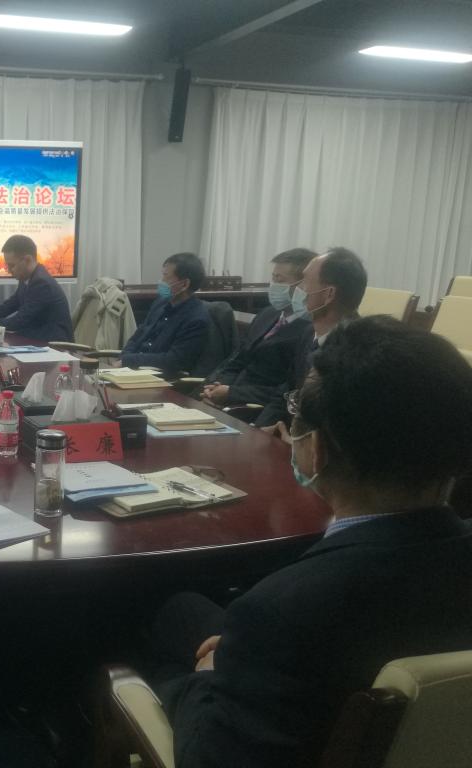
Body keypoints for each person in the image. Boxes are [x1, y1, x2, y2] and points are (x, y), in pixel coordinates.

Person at [137, 316, 472, 768]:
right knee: (181, 609)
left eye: (295, 409)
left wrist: (211, 674)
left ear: (317, 449)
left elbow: (209, 757)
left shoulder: (280, 611)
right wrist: (246, 652)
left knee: (143, 626)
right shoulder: (282, 611)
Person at [255, 247, 366, 431]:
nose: (297, 290)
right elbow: (286, 391)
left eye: (304, 282)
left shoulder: (357, 351)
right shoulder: (308, 333)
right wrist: (259, 430)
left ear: (329, 294)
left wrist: (294, 441)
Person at [199, 248, 316, 408]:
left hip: (253, 407)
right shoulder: (267, 314)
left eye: (280, 280)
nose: (273, 285)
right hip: (225, 394)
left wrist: (231, 394)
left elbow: (288, 389)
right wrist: (213, 387)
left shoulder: (309, 329)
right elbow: (237, 359)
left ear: (303, 285)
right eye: (273, 278)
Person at [120, 252, 210, 375]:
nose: (161, 281)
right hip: (131, 371)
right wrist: (124, 357)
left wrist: (129, 360)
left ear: (185, 284)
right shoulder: (160, 303)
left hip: (160, 378)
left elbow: (173, 360)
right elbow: (138, 336)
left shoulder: (197, 318)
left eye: (166, 277)